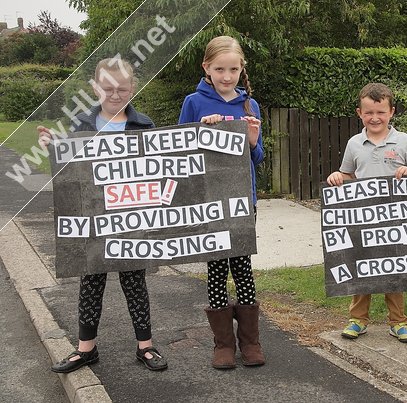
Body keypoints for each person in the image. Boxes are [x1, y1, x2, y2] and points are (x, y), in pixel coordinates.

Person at [38, 58, 168, 373]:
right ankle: (86, 349)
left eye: (122, 88)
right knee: (91, 280)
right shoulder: (81, 124)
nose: (114, 94)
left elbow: (158, 169)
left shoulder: (144, 125)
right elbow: (69, 171)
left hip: (131, 218)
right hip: (93, 219)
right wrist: (53, 149)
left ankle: (146, 346)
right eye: (107, 87)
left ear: (133, 88)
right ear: (96, 87)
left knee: (134, 281)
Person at [178, 35, 265, 369]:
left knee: (242, 268)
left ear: (241, 69)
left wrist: (253, 141)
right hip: (208, 200)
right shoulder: (194, 102)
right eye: (219, 69)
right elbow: (180, 150)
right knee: (216, 269)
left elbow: (256, 159)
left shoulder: (249, 106)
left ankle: (251, 342)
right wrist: (200, 129)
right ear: (206, 68)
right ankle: (223, 345)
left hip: (243, 199)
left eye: (233, 69)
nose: (226, 76)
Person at [327, 82, 407, 343]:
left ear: (391, 112)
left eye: (380, 112)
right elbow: (347, 174)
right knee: (363, 266)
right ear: (360, 113)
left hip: (395, 217)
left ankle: (398, 322)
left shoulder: (404, 141)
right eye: (369, 113)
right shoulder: (354, 143)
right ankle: (358, 319)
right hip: (363, 217)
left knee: (394, 269)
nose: (375, 118)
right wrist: (338, 176)